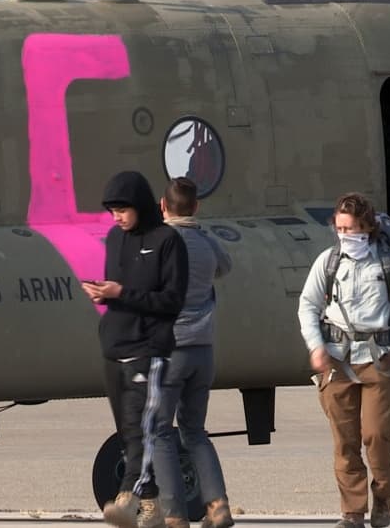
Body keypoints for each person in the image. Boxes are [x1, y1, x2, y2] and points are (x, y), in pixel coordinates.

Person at [298, 193, 390, 528]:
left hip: (380, 360)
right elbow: (307, 306)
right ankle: (352, 511)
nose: (346, 235)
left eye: (353, 228)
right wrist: (316, 346)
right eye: (340, 228)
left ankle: (383, 495)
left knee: (376, 435)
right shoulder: (328, 262)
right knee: (345, 442)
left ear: (368, 228)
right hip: (336, 362)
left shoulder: (389, 262)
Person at [82, 171, 188, 528]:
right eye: (112, 210)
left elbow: (172, 301)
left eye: (123, 209)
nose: (117, 217)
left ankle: (127, 497)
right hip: (115, 345)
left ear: (141, 205)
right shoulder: (115, 238)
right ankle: (153, 506)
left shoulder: (167, 240)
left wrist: (121, 293)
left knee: (141, 426)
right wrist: (103, 292)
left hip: (149, 348)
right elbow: (120, 288)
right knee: (128, 430)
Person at [151, 177, 234, 528]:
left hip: (170, 350)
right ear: (196, 207)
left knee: (158, 430)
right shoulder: (205, 242)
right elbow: (225, 267)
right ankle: (217, 505)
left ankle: (173, 514)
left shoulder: (158, 245)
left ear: (162, 205)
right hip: (203, 350)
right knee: (195, 431)